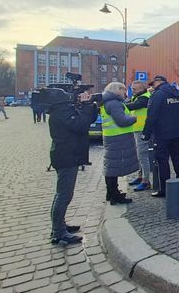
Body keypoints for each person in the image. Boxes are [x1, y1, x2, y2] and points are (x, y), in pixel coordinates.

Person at [48, 92, 98, 245]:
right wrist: (85, 106)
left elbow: (87, 120)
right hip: (66, 156)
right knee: (64, 195)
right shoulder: (62, 113)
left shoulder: (61, 111)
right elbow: (81, 124)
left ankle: (60, 225)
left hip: (66, 155)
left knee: (63, 194)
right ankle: (58, 232)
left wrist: (88, 106)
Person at [142, 75, 179, 197]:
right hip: (177, 133)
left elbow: (152, 116)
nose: (152, 87)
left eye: (153, 84)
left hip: (162, 134)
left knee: (162, 161)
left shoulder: (158, 95)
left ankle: (164, 189)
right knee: (178, 159)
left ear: (158, 82)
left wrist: (145, 134)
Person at [100, 82, 139, 205]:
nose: (125, 93)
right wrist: (133, 118)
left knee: (111, 166)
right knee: (114, 167)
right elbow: (122, 121)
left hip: (112, 137)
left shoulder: (107, 101)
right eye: (123, 90)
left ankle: (111, 193)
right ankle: (114, 195)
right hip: (118, 138)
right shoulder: (114, 103)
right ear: (118, 90)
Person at [125, 80, 152, 192]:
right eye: (132, 88)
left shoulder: (144, 98)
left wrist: (118, 106)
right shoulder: (138, 96)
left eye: (134, 89)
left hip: (142, 130)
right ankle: (141, 176)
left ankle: (146, 181)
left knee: (142, 155)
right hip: (137, 129)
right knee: (139, 155)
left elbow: (132, 106)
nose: (132, 90)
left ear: (141, 89)